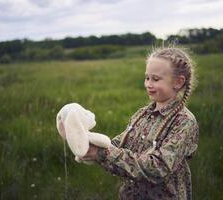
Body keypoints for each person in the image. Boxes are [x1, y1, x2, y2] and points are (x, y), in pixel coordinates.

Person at [83, 47, 199, 200]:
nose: (148, 84)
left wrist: (104, 154)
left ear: (178, 82)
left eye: (155, 79)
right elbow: (119, 145)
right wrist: (90, 143)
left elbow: (158, 167)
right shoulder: (141, 114)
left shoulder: (184, 122)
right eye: (147, 78)